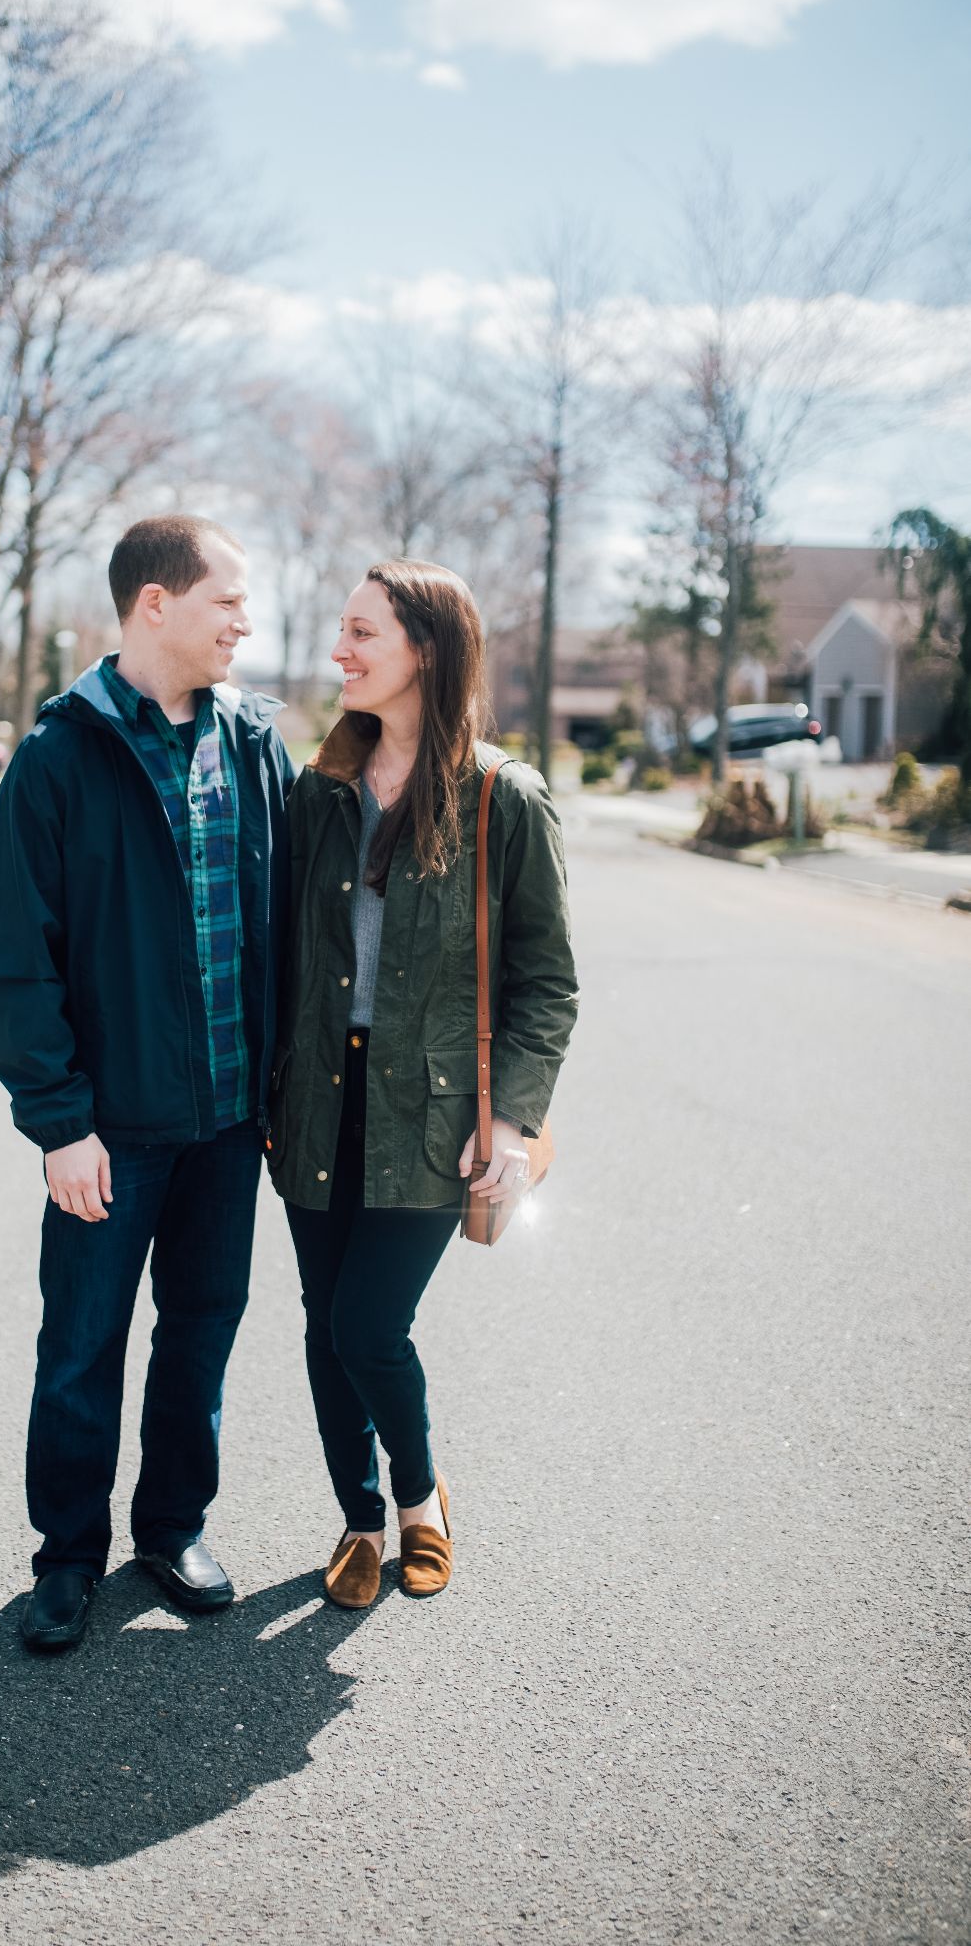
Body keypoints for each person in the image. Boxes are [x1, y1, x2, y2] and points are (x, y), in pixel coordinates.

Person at [0, 515, 294, 1652]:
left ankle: (171, 1527)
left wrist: (280, 1096)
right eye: (227, 601)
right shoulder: (59, 756)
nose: (244, 623)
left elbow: (290, 929)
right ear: (154, 603)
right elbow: (15, 957)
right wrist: (59, 1122)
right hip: (109, 1131)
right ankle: (66, 1558)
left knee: (200, 1332)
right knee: (82, 1347)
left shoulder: (255, 742)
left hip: (225, 1126)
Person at [266, 560, 579, 1608]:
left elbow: (547, 980)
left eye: (362, 633)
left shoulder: (502, 796)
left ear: (428, 650)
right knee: (323, 1320)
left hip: (432, 1111)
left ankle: (417, 1498)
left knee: (367, 1324)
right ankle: (357, 1517)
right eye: (341, 632)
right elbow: (285, 955)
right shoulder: (319, 793)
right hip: (315, 1095)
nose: (340, 650)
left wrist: (511, 1114)